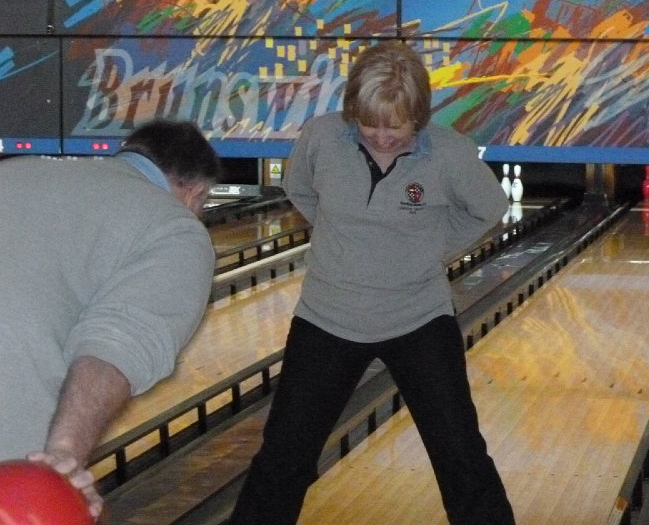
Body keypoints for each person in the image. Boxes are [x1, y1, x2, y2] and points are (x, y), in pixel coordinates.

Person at [229, 41, 515, 524]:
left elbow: (490, 209)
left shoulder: (450, 154)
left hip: (419, 319)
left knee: (460, 456)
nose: (381, 136)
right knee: (283, 459)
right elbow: (298, 187)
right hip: (327, 319)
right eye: (370, 123)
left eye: (395, 125)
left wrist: (431, 249)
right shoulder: (322, 138)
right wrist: (342, 241)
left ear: (419, 117)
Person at [0, 119, 221, 520]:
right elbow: (116, 346)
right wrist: (62, 458)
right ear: (196, 194)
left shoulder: (13, 169)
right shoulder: (176, 229)